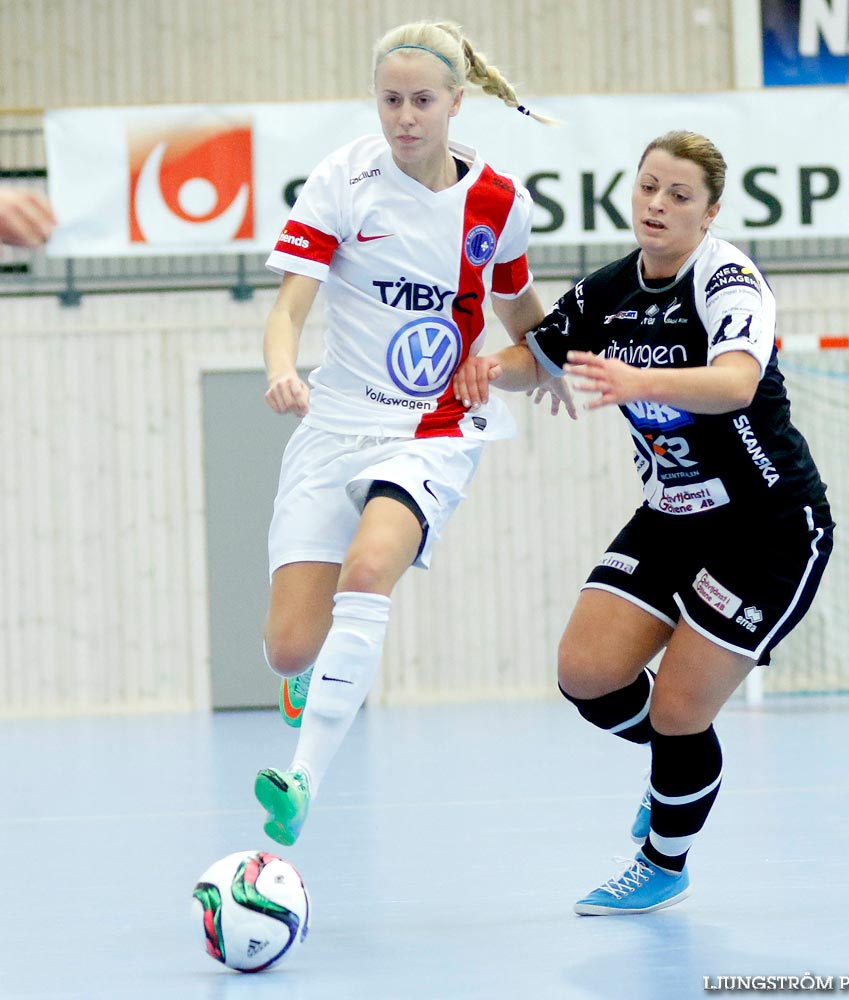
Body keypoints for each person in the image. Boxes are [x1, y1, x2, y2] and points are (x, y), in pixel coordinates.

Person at [453, 130, 834, 915]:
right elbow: (545, 355)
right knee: (587, 675)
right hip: (672, 515)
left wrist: (638, 378)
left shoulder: (727, 281)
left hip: (768, 526)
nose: (657, 205)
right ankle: (674, 769)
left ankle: (664, 860)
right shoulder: (610, 289)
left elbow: (734, 383)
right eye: (648, 187)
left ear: (710, 211)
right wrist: (493, 369)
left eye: (679, 195)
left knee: (680, 711)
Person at [254, 20, 573, 847]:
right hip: (335, 425)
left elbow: (525, 322)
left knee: (369, 570)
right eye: (391, 100)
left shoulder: (499, 203)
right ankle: (311, 676)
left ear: (457, 104)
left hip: (432, 430)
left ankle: (301, 781)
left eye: (422, 101)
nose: (404, 117)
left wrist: (537, 365)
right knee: (290, 649)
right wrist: (282, 368)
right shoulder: (344, 179)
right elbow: (290, 303)